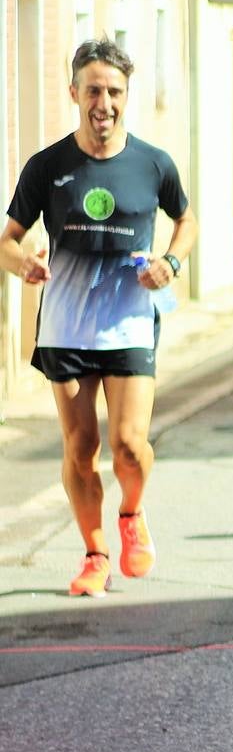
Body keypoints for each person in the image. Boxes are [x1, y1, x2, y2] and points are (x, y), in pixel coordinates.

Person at [0, 38, 199, 597]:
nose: (103, 102)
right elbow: (7, 242)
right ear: (74, 93)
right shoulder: (48, 166)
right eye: (93, 90)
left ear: (126, 96)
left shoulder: (153, 163)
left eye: (113, 91)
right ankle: (94, 553)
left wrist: (172, 262)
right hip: (65, 322)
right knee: (80, 446)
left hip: (130, 319)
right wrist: (25, 266)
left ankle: (131, 514)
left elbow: (187, 221)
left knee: (131, 443)